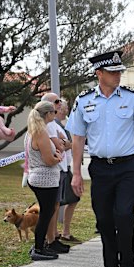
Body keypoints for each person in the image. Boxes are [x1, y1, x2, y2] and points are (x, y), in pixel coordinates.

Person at [66, 50, 134, 267]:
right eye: (112, 72)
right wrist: (76, 172)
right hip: (100, 168)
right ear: (99, 73)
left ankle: (128, 266)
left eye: (119, 71)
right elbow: (77, 138)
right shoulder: (83, 101)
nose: (118, 75)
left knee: (124, 215)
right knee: (104, 219)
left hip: (127, 167)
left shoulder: (131, 98)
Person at [25, 101, 63, 260]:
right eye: (54, 111)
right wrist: (58, 158)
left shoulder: (32, 131)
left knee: (46, 212)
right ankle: (39, 248)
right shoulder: (41, 132)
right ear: (47, 114)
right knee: (46, 214)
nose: (56, 114)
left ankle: (40, 245)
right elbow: (48, 160)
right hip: (44, 179)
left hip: (38, 176)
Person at [40, 93, 71, 255]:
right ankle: (49, 239)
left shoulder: (54, 123)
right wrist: (63, 143)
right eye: (56, 101)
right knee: (51, 207)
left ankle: (53, 237)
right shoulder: (49, 124)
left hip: (60, 168)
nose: (59, 104)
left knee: (55, 205)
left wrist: (63, 143)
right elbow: (60, 145)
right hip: (53, 169)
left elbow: (65, 143)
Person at [56, 98, 81, 243]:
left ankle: (65, 232)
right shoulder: (53, 124)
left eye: (65, 107)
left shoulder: (67, 123)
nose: (65, 109)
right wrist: (70, 145)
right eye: (62, 107)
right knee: (55, 202)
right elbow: (62, 145)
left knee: (73, 198)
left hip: (66, 167)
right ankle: (53, 235)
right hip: (59, 168)